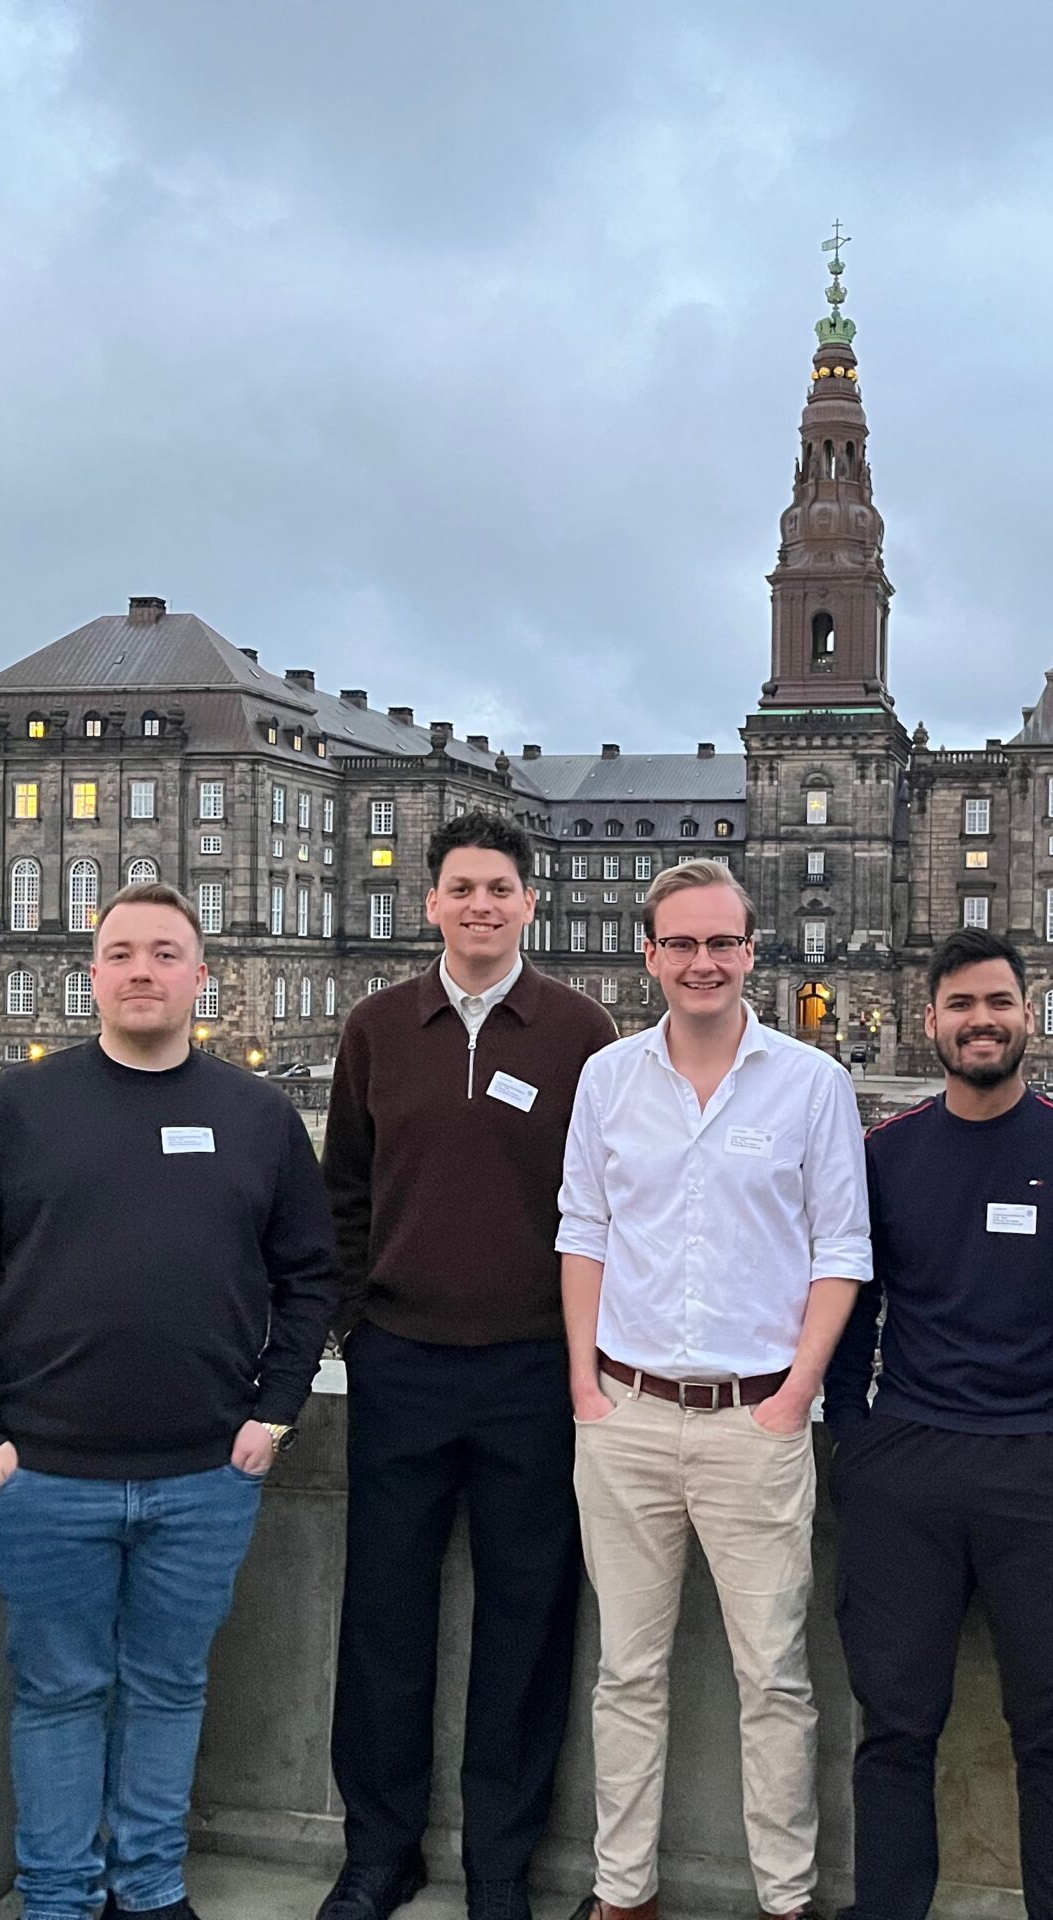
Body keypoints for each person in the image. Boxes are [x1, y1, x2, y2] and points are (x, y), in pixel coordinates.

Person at [0, 881, 339, 1920]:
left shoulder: (258, 1116)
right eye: (122, 954)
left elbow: (312, 1276)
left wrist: (273, 1413)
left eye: (164, 954)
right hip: (41, 1475)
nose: (143, 971)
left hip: (207, 1475)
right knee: (57, 1694)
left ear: (201, 977)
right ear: (90, 975)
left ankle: (148, 1890)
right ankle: (58, 1898)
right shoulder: (15, 1107)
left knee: (169, 1689)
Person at [555, 857, 872, 1920]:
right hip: (626, 1416)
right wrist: (583, 1388)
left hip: (755, 1420)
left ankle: (785, 1900)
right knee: (625, 1676)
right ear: (649, 956)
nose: (703, 962)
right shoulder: (607, 1078)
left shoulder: (811, 1083)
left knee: (773, 1679)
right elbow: (583, 1231)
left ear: (750, 953)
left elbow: (842, 1250)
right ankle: (621, 1895)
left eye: (721, 943)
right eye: (681, 943)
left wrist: (795, 1398)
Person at [317, 812, 619, 1920]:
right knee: (384, 1621)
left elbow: (609, 1204)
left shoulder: (582, 1034)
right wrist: (361, 1323)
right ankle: (379, 1853)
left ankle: (502, 1866)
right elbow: (342, 1189)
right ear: (431, 903)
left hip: (536, 1372)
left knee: (527, 1629)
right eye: (461, 888)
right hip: (401, 1364)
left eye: (500, 887)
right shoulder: (378, 1026)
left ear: (530, 902)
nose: (480, 905)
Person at [824, 928, 1053, 1920]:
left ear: (1025, 1015)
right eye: (960, 1005)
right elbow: (850, 1306)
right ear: (930, 1022)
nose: (980, 1021)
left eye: (998, 1003)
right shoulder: (885, 1154)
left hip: (1046, 1469)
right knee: (894, 1728)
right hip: (906, 1468)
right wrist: (854, 1433)